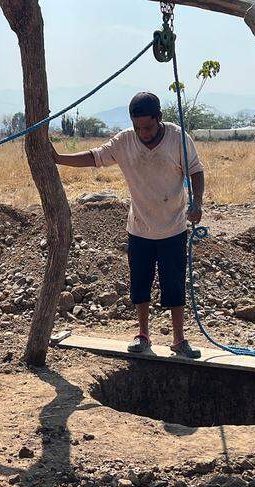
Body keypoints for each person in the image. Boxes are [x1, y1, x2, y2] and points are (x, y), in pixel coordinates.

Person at [52, 92, 205, 358]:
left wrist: (197, 203)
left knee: (174, 285)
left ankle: (179, 340)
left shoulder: (178, 139)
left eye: (147, 127)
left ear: (159, 118)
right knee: (140, 284)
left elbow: (196, 170)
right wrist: (58, 158)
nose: (143, 133)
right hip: (140, 228)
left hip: (173, 227)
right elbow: (94, 157)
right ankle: (143, 335)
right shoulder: (124, 141)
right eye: (137, 128)